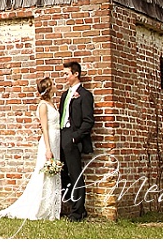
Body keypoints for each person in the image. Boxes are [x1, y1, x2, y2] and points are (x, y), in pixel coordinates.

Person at [0, 77, 61, 221]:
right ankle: (39, 207)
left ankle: (51, 207)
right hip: (49, 140)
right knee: (44, 174)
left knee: (53, 174)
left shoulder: (52, 103)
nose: (55, 86)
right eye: (53, 85)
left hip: (56, 139)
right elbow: (44, 128)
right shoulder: (43, 106)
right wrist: (48, 148)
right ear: (48, 88)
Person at [59, 60, 94, 221]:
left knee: (75, 174)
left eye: (66, 74)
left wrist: (75, 137)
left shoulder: (85, 95)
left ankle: (77, 212)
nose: (64, 77)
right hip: (61, 135)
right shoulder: (65, 95)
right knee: (62, 173)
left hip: (73, 137)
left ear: (76, 74)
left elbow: (88, 121)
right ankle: (72, 203)